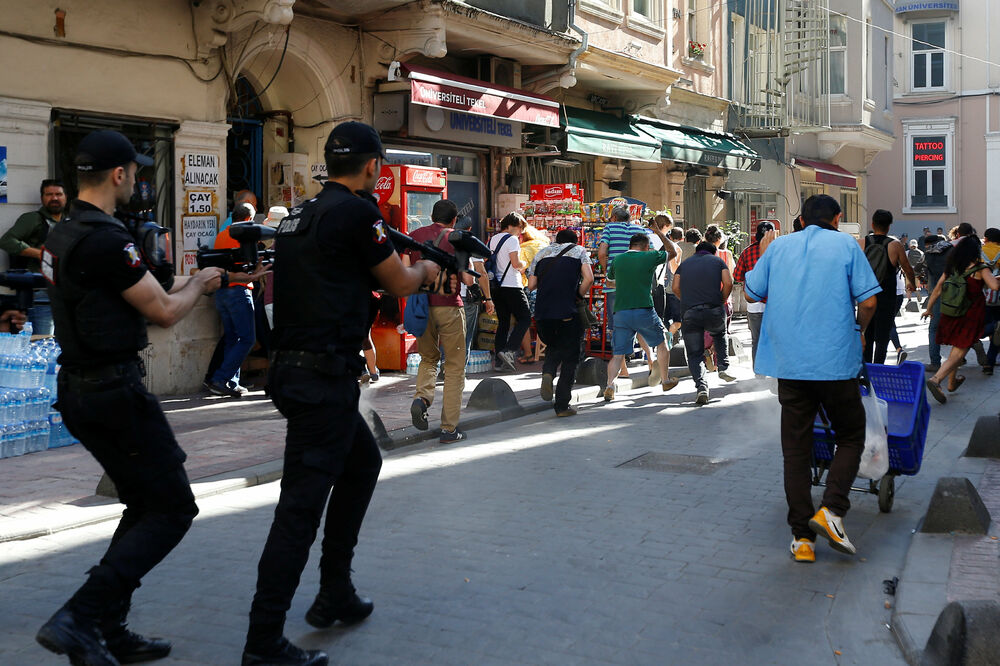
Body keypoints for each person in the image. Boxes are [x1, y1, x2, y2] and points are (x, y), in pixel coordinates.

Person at [243, 122, 443, 666]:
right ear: (374, 166)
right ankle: (263, 642)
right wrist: (427, 268)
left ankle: (336, 591)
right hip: (322, 377)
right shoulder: (357, 212)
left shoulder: (300, 214)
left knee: (362, 465)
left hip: (296, 369)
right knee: (299, 511)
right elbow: (399, 283)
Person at [35, 130, 225, 665]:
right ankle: (79, 615)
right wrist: (202, 284)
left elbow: (134, 290)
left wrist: (181, 281)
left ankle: (108, 627)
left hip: (79, 389)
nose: (139, 179)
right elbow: (163, 310)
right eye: (136, 171)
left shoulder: (62, 234)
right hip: (113, 390)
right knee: (172, 508)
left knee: (144, 503)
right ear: (119, 175)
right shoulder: (106, 238)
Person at [744, 194, 879, 563]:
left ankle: (802, 539)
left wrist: (766, 250)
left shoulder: (778, 247)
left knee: (796, 451)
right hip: (836, 362)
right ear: (837, 219)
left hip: (790, 364)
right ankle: (832, 510)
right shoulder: (847, 246)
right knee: (851, 434)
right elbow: (868, 303)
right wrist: (858, 329)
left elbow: (752, 291)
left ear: (801, 220)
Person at [405, 199, 474, 444]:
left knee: (428, 358)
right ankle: (448, 429)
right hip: (449, 308)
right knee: (455, 367)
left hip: (422, 308)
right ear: (454, 220)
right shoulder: (457, 239)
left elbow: (406, 271)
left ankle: (421, 399)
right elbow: (467, 280)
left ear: (431, 215)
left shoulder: (414, 235)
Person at [603, 227, 679, 401]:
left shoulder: (618, 259)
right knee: (662, 344)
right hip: (644, 309)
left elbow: (610, 281)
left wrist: (624, 285)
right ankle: (666, 380)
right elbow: (672, 252)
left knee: (617, 355)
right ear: (645, 247)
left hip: (621, 312)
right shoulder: (649, 257)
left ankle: (609, 386)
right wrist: (661, 235)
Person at [921, 236, 1000, 403]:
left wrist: (929, 309)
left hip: (951, 313)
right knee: (960, 351)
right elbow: (994, 286)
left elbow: (937, 289)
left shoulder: (952, 267)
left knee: (956, 350)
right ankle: (936, 380)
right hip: (971, 316)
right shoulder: (980, 268)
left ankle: (951, 383)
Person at [204, 202, 271, 398]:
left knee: (233, 338)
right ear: (250, 219)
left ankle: (231, 382)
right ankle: (221, 378)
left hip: (222, 291)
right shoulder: (244, 236)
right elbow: (249, 267)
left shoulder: (222, 235)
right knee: (247, 338)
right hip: (238, 291)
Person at [527, 228, 594, 417]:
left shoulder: (541, 253)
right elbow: (588, 279)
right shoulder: (579, 251)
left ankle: (548, 372)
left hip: (542, 314)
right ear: (574, 240)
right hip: (566, 311)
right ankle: (562, 405)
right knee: (571, 356)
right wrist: (577, 295)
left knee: (554, 346)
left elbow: (531, 285)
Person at [0, 178, 67, 334]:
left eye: (58, 194)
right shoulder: (33, 219)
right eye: (49, 194)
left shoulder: (69, 222)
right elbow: (6, 241)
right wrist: (41, 254)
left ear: (65, 197)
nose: (54, 198)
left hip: (64, 294)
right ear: (42, 198)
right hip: (40, 294)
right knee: (42, 342)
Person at [673, 241, 736, 405]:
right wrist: (721, 299)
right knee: (719, 333)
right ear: (713, 252)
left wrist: (686, 301)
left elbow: (675, 287)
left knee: (694, 354)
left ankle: (701, 387)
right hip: (713, 308)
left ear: (697, 251)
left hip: (689, 312)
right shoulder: (718, 261)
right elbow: (728, 283)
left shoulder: (684, 264)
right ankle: (722, 367)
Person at [598, 206, 657, 380]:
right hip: (638, 285)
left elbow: (602, 252)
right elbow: (652, 253)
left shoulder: (609, 228)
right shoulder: (640, 229)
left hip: (616, 285)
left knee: (618, 327)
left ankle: (623, 370)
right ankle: (651, 360)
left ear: (614, 217)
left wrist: (605, 270)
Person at [862, 210, 915, 364]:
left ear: (872, 224)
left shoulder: (860, 242)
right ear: (889, 226)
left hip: (866, 295)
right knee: (883, 337)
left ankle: (866, 371)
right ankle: (878, 369)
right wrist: (911, 283)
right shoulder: (895, 245)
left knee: (867, 334)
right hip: (886, 297)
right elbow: (907, 268)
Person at [488, 213, 529, 371]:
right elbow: (515, 263)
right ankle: (509, 351)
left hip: (497, 287)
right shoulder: (512, 240)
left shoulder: (493, 239)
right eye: (520, 228)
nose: (521, 232)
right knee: (524, 318)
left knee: (503, 323)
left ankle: (499, 362)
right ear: (513, 225)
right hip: (512, 285)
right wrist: (523, 265)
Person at [733, 221, 775, 366]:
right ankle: (776, 372)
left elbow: (737, 276)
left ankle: (759, 371)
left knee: (756, 339)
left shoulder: (746, 252)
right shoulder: (780, 251)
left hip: (754, 304)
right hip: (776, 303)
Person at [455, 217, 494, 355]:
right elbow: (481, 273)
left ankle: (444, 363)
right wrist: (488, 299)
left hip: (442, 296)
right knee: (464, 335)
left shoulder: (442, 240)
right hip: (464, 297)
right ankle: (457, 373)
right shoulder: (469, 243)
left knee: (446, 335)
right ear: (469, 229)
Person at [518, 223, 549, 363]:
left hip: (528, 287)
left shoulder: (523, 248)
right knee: (546, 321)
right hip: (546, 288)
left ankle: (528, 354)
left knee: (523, 321)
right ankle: (550, 351)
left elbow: (521, 268)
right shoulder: (545, 245)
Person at [923, 233, 951, 373]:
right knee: (960, 325)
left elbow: (934, 287)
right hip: (957, 294)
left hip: (939, 295)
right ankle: (973, 347)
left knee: (934, 329)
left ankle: (935, 362)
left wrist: (929, 308)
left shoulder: (929, 255)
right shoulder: (952, 250)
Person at [980, 228, 1000, 375]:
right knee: (998, 329)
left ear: (986, 238)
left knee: (983, 325)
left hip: (981, 298)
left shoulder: (978, 252)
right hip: (998, 297)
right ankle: (990, 361)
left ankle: (974, 338)